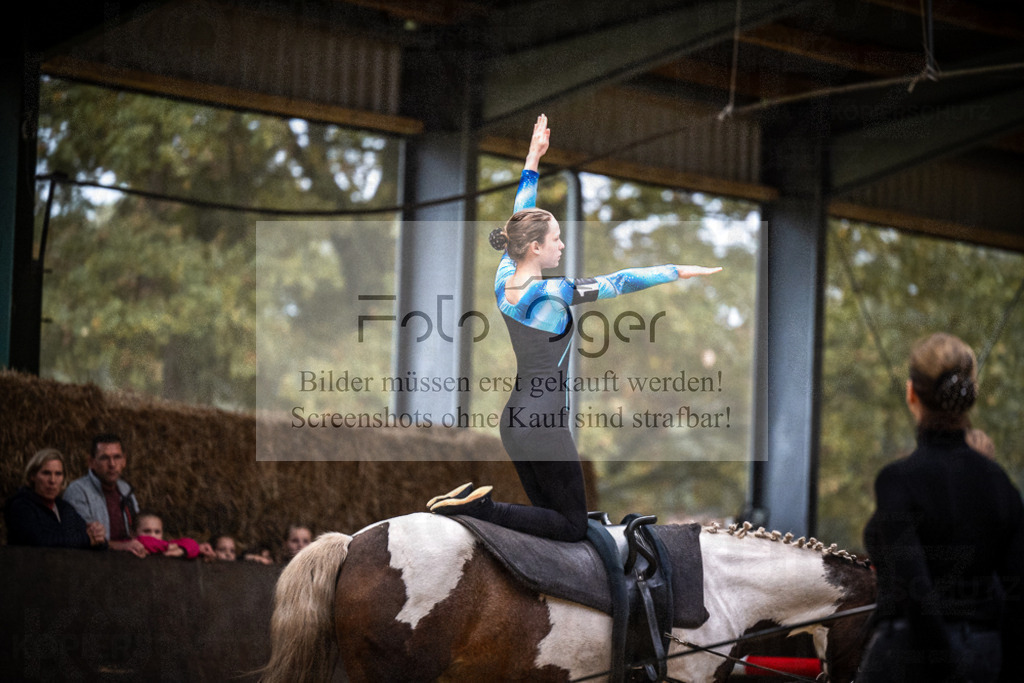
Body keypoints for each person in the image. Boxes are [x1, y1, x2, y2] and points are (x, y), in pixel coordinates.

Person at [427, 114, 722, 541]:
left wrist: (533, 159)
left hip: (513, 421)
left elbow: (520, 212)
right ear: (534, 247)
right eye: (556, 240)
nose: (562, 245)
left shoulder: (503, 274)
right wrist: (678, 270)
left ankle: (487, 522)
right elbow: (620, 281)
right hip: (544, 421)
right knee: (570, 527)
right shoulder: (554, 292)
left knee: (548, 524)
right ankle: (480, 507)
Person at [858, 333, 1024, 683]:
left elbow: (915, 588)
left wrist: (945, 667)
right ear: (968, 397)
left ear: (911, 393)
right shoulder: (1000, 484)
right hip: (985, 653)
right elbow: (1016, 592)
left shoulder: (897, 480)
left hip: (910, 656)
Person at [4, 448, 107, 549]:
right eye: (46, 473)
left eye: (58, 474)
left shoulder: (64, 509)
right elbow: (41, 541)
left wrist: (98, 536)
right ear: (33, 476)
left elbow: (94, 541)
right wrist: (87, 539)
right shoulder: (21, 506)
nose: (52, 480)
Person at [63, 433, 145, 557]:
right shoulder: (78, 491)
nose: (112, 464)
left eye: (117, 457)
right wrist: (122, 546)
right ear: (91, 462)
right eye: (104, 458)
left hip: (129, 560)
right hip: (94, 561)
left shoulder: (126, 490)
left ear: (124, 461)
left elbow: (140, 528)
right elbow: (86, 537)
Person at [132, 512, 214, 559]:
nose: (152, 535)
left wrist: (182, 550)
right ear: (133, 534)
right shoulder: (130, 544)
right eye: (147, 531)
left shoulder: (166, 545)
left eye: (157, 532)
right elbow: (145, 542)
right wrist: (168, 547)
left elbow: (191, 543)